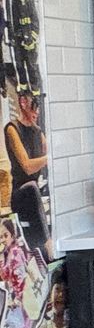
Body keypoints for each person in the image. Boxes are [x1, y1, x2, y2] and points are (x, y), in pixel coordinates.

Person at [4, 88, 45, 262]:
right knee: (32, 187)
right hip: (21, 191)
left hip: (36, 190)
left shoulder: (38, 132)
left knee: (37, 188)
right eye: (34, 105)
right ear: (23, 103)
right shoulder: (13, 129)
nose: (37, 111)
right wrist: (50, 158)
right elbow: (27, 167)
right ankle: (46, 242)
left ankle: (43, 248)